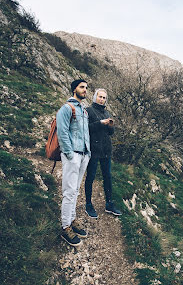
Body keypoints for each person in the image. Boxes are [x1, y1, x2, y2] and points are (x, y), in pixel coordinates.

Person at [57, 79, 91, 246]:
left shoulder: (84, 111)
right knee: (69, 191)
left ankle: (71, 219)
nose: (85, 90)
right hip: (73, 155)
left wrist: (88, 153)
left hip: (84, 155)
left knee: (76, 190)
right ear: (74, 90)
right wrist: (70, 154)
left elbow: (85, 134)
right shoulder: (66, 108)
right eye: (82, 87)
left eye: (86, 88)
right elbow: (62, 133)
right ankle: (65, 227)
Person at [84, 88, 122, 218]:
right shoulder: (88, 111)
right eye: (100, 97)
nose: (102, 99)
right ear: (95, 97)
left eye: (104, 98)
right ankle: (88, 204)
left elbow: (111, 133)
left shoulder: (107, 113)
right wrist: (100, 123)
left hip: (106, 150)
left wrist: (111, 126)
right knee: (91, 176)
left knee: (108, 177)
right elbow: (86, 129)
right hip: (94, 150)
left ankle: (109, 204)